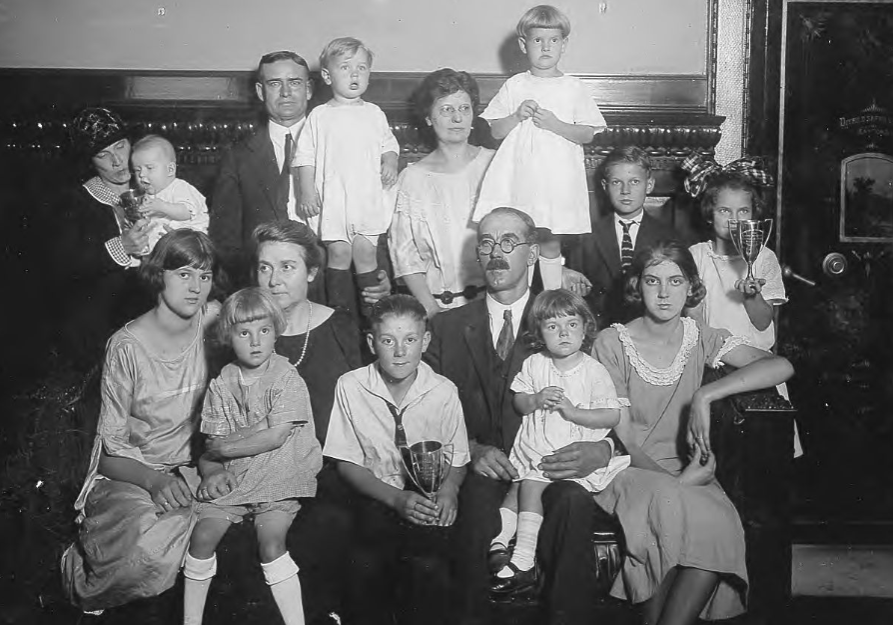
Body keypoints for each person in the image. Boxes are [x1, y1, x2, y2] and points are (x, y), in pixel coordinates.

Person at [426, 207, 615, 625]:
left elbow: (605, 398)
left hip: (556, 466)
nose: (496, 253)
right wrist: (470, 448)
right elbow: (427, 414)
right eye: (488, 243)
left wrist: (600, 450)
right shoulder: (447, 326)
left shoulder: (564, 321)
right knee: (473, 512)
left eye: (509, 242)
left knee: (572, 504)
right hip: (483, 468)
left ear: (532, 255)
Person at [592, 240, 794, 625]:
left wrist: (707, 393)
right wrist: (679, 483)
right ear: (637, 285)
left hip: (688, 470)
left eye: (675, 281)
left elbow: (779, 366)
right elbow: (625, 439)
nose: (664, 293)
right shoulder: (611, 342)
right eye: (652, 281)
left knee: (719, 524)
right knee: (671, 512)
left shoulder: (698, 334)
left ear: (691, 287)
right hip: (627, 470)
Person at [60, 230, 221, 612]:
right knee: (147, 551)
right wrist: (154, 480)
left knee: (208, 522)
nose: (196, 287)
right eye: (183, 274)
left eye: (205, 275)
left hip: (193, 469)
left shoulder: (214, 320)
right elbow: (109, 453)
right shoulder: (126, 346)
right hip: (133, 472)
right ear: (157, 275)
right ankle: (79, 573)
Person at [324, 294, 469, 625]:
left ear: (425, 340)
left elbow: (457, 457)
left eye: (410, 339)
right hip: (375, 494)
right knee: (368, 562)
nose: (400, 351)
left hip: (428, 495)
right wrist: (395, 498)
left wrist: (450, 491)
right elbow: (346, 462)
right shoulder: (351, 386)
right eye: (388, 340)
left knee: (430, 565)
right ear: (372, 342)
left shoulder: (443, 391)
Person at [184, 287, 322, 625]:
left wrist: (223, 449)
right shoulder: (222, 383)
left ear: (276, 331)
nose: (255, 341)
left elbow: (275, 436)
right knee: (201, 537)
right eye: (244, 333)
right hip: (238, 476)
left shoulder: (287, 378)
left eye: (264, 330)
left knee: (270, 542)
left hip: (280, 474)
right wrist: (215, 471)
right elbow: (211, 446)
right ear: (228, 337)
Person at [252, 220, 361, 622]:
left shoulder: (343, 328)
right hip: (263, 474)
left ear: (312, 273)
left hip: (333, 474)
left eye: (287, 267)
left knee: (328, 529)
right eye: (264, 267)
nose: (274, 280)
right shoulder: (246, 332)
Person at [488, 289, 629, 594]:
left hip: (571, 448)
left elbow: (611, 416)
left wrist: (574, 412)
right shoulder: (536, 363)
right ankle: (499, 543)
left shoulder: (594, 371)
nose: (563, 333)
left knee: (530, 485)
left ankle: (523, 558)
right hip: (537, 441)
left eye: (572, 325)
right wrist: (537, 398)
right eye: (553, 327)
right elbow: (520, 403)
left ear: (585, 328)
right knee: (519, 483)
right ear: (539, 332)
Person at [472, 4, 607, 291]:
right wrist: (516, 116)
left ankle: (551, 298)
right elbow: (495, 130)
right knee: (517, 237)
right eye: (537, 40)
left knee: (549, 239)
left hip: (555, 178)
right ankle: (518, 299)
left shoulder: (573, 87)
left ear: (564, 44)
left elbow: (587, 133)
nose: (546, 47)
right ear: (523, 45)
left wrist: (556, 125)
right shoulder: (515, 85)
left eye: (553, 40)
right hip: (520, 177)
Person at [682, 155, 801, 456]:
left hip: (757, 368)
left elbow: (763, 323)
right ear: (710, 214)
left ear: (755, 217)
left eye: (743, 211)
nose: (734, 219)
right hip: (712, 366)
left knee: (760, 454)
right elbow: (692, 321)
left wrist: (751, 296)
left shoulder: (764, 258)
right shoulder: (695, 256)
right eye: (724, 210)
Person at [295, 37, 400, 318]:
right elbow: (305, 157)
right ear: (327, 76)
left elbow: (389, 145)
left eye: (362, 68)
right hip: (336, 198)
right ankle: (338, 315)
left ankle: (373, 316)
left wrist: (390, 161)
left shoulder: (374, 114)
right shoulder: (319, 116)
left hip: (365, 196)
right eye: (345, 68)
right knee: (339, 253)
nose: (355, 74)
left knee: (366, 252)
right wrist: (306, 190)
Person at [389, 68, 495, 317]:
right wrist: (431, 309)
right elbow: (405, 257)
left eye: (464, 109)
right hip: (438, 307)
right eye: (446, 110)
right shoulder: (412, 179)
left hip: (493, 303)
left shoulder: (495, 165)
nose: (457, 119)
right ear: (428, 117)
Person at [56, 107, 152, 366]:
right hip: (99, 339)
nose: (117, 161)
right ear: (90, 161)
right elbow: (63, 270)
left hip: (156, 330)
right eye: (103, 154)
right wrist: (120, 247)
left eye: (120, 147)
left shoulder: (159, 189)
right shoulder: (74, 204)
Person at [209, 51, 313, 283]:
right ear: (260, 91)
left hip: (325, 283)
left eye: (294, 83)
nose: (286, 92)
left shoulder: (337, 146)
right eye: (275, 83)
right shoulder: (237, 157)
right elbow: (224, 238)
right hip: (261, 286)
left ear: (308, 89)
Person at [567, 146, 683, 327]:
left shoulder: (667, 237)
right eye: (616, 182)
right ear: (605, 186)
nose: (625, 190)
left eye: (635, 182)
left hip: (648, 329)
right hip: (598, 328)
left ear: (649, 185)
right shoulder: (587, 236)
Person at [131, 134, 210, 253]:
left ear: (170, 170)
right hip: (160, 253)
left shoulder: (180, 188)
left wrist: (162, 206)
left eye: (149, 168)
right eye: (137, 170)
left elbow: (187, 212)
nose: (142, 175)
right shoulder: (147, 195)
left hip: (189, 249)